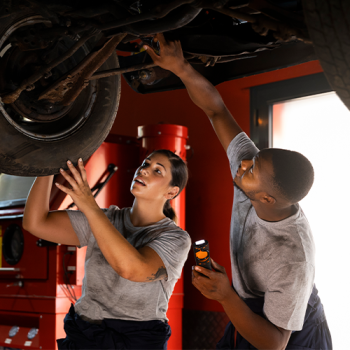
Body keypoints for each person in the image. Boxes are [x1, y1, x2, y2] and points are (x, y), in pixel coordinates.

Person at [144, 34, 332, 349]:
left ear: (267, 199)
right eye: (253, 159)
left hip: (291, 336)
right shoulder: (253, 175)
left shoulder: (292, 259)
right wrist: (180, 68)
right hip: (249, 308)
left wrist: (226, 295)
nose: (243, 164)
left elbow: (274, 343)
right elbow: (217, 110)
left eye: (252, 170)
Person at [23, 149, 191, 350]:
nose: (145, 170)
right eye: (145, 164)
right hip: (85, 335)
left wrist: (89, 205)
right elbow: (36, 223)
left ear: (171, 192)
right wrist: (46, 165)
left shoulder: (177, 238)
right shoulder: (106, 218)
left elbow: (131, 269)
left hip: (136, 342)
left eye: (158, 171)